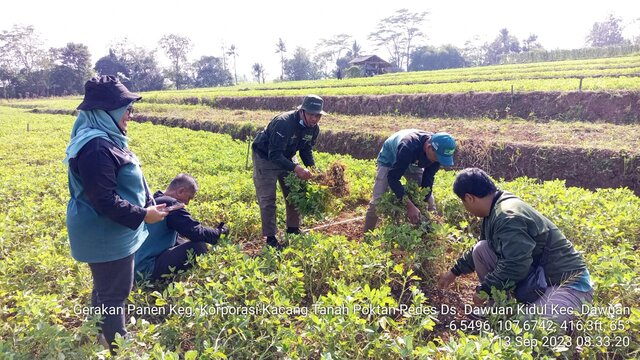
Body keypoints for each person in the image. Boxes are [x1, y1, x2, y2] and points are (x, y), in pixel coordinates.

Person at [64, 75, 169, 352]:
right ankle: (116, 343)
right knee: (115, 292)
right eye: (127, 109)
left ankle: (98, 330)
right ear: (104, 112)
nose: (130, 115)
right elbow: (105, 201)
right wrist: (144, 215)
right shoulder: (96, 148)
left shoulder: (104, 140)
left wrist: (145, 205)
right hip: (105, 233)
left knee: (105, 286)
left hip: (112, 230)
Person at [438, 168, 593, 324]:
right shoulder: (494, 208)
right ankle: (499, 310)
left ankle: (521, 314)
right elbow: (485, 251)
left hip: (568, 286)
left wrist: (485, 290)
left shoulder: (507, 216)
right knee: (481, 249)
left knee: (527, 328)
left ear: (469, 198)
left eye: (462, 202)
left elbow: (516, 264)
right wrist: (454, 272)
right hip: (539, 277)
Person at [251, 94, 323, 250]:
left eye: (318, 115)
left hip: (288, 156)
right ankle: (271, 238)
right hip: (265, 157)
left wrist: (313, 169)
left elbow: (306, 149)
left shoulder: (313, 129)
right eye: (311, 114)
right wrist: (296, 168)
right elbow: (274, 154)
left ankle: (293, 229)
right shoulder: (284, 123)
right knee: (268, 199)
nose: (314, 119)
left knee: (294, 194)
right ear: (302, 111)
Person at [135, 173, 229, 280]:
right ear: (180, 191)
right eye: (189, 197)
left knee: (180, 239)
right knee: (198, 246)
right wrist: (219, 233)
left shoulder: (154, 199)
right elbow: (195, 231)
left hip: (135, 266)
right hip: (147, 269)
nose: (188, 203)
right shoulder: (170, 204)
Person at [363, 130, 457, 231]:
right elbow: (393, 178)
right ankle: (367, 234)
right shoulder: (408, 146)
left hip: (414, 160)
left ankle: (429, 233)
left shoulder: (437, 154)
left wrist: (422, 204)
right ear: (429, 147)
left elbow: (427, 181)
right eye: (438, 158)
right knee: (378, 200)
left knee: (429, 203)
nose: (438, 161)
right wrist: (410, 206)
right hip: (391, 157)